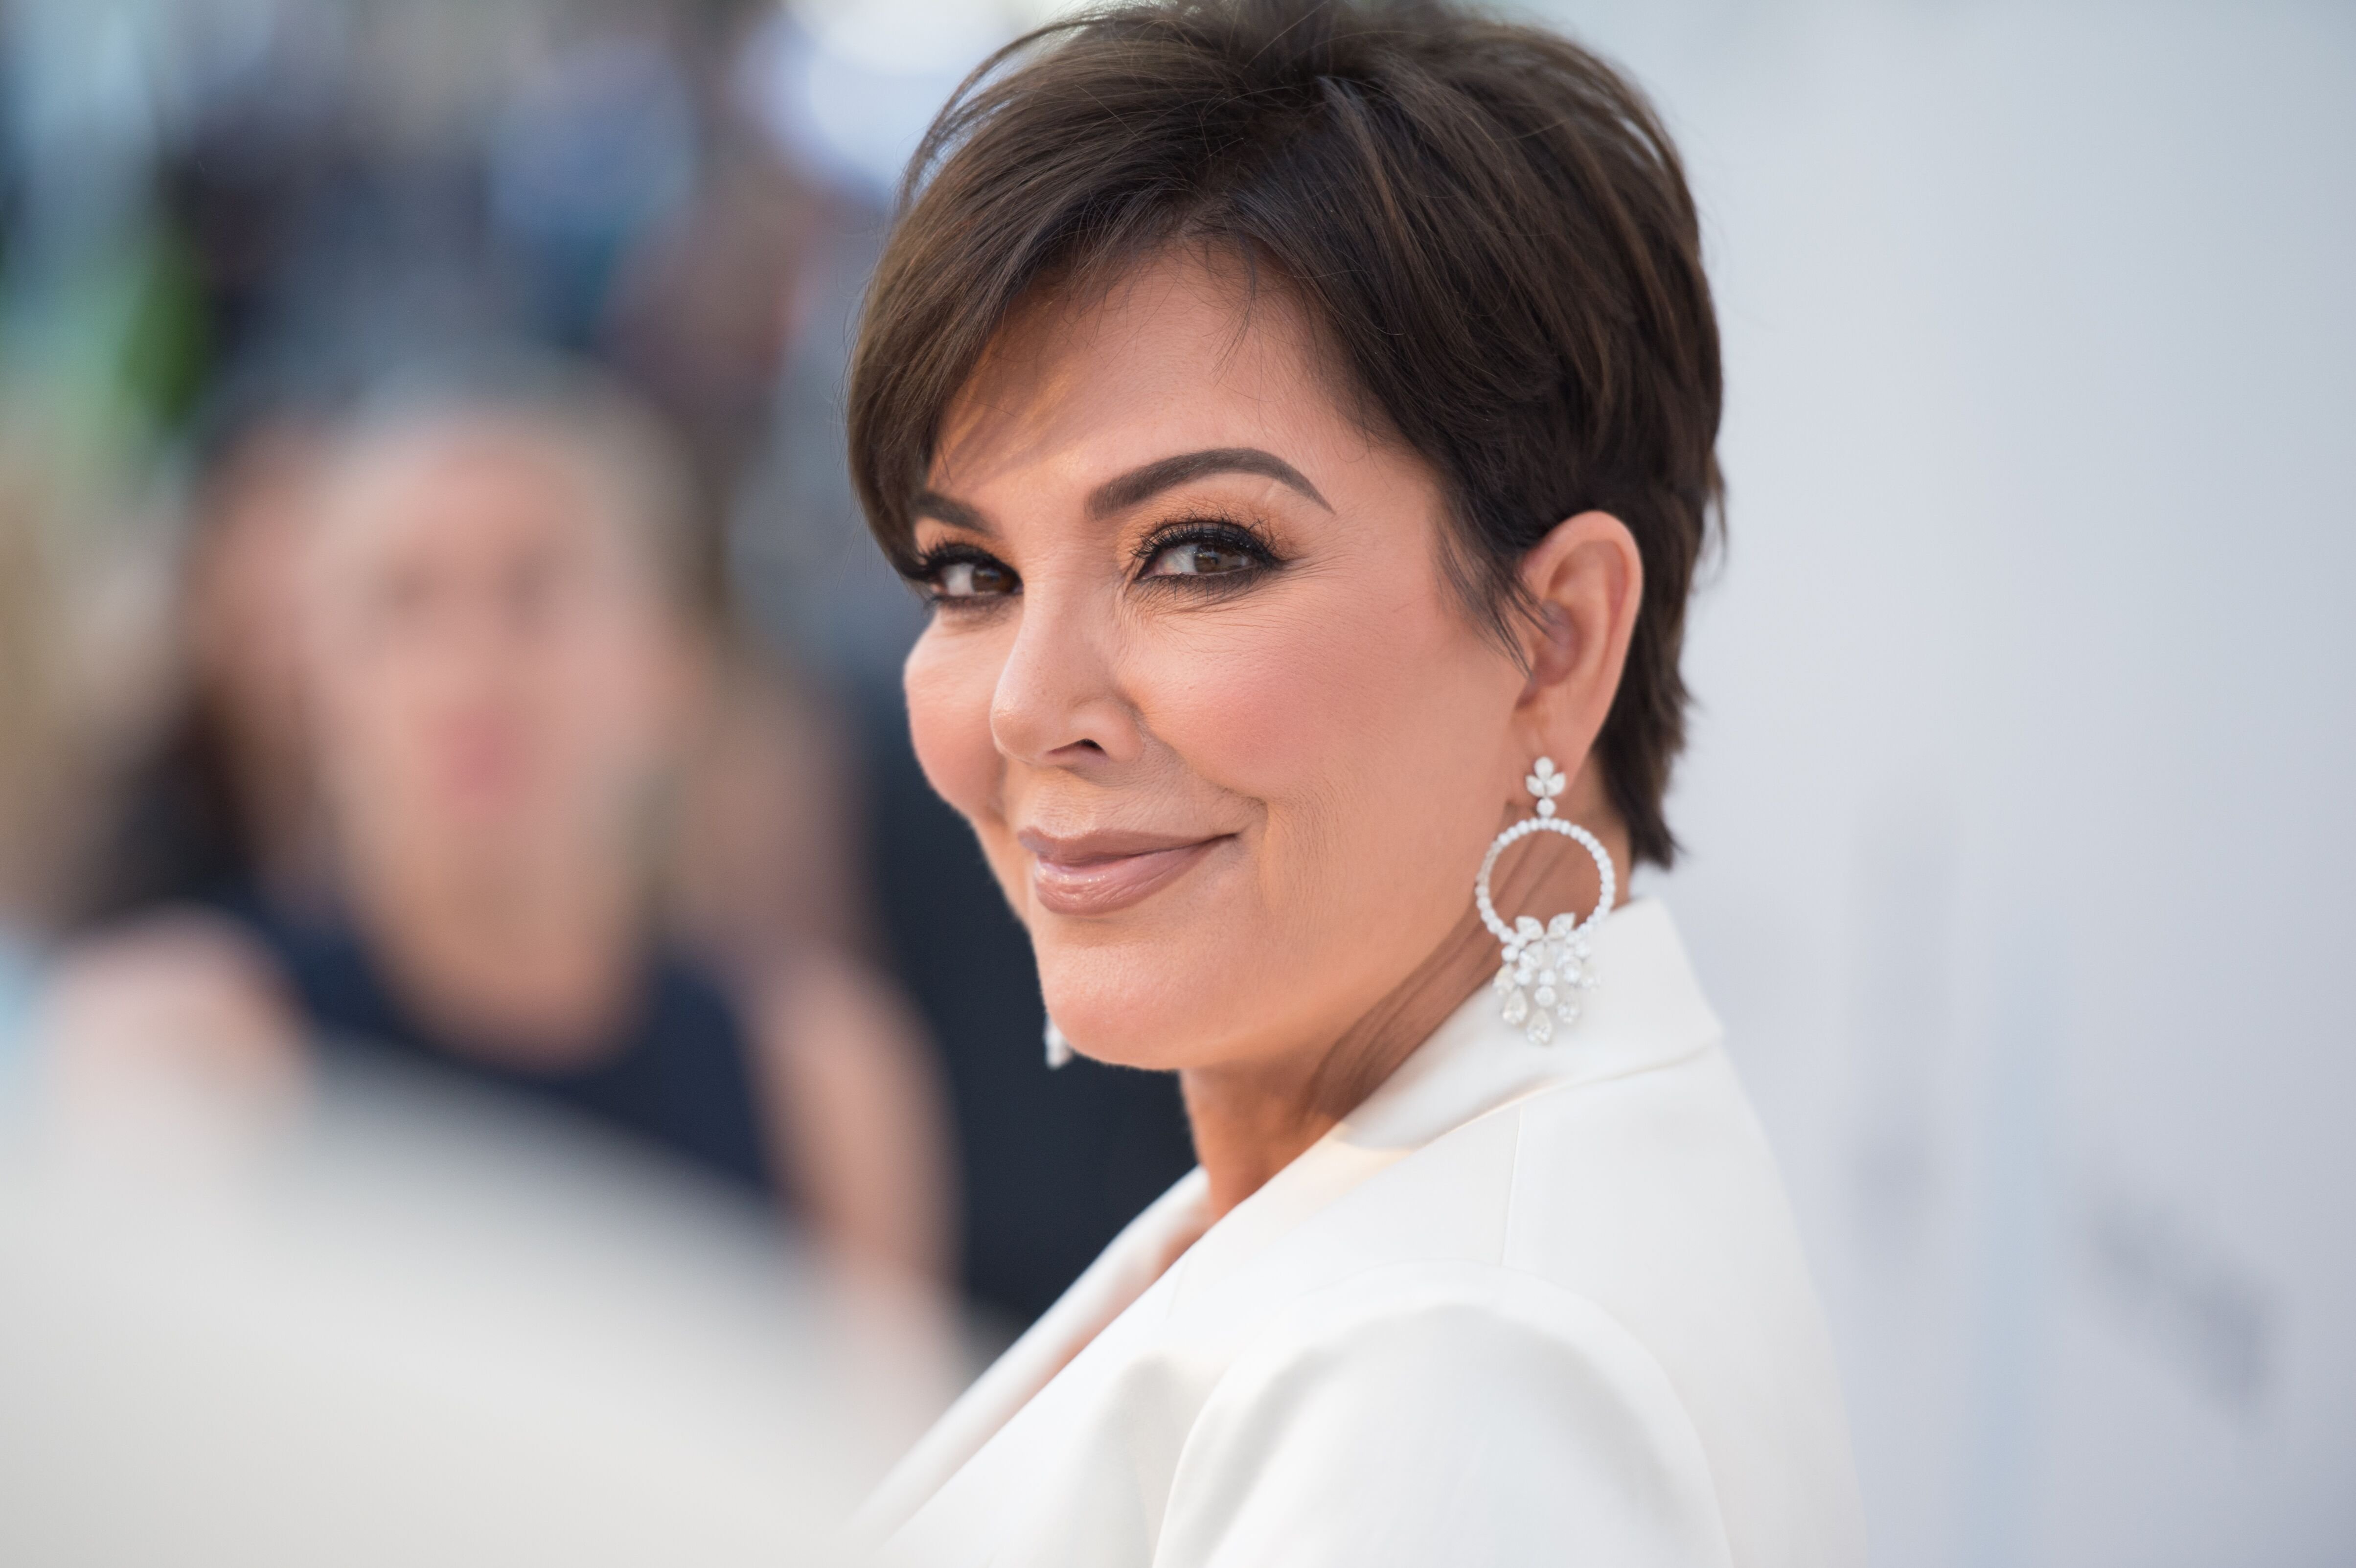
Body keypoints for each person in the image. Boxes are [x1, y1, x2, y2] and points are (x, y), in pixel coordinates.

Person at [841, 1, 1865, 1563]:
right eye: (969, 571)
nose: (1031, 704)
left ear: (1556, 637)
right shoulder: (1404, 1198)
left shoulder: (1457, 1369)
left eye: (1195, 554)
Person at [46, 368, 953, 1287]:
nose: (471, 669)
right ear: (317, 685)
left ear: (672, 666)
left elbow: (882, 1420)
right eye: (403, 602)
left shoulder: (818, 1076)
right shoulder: (182, 1041)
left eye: (536, 591)